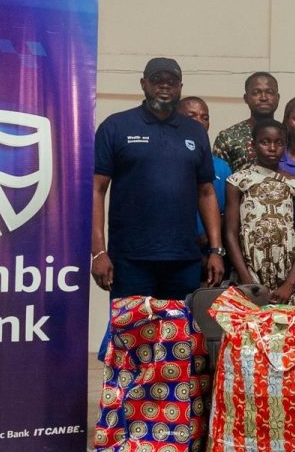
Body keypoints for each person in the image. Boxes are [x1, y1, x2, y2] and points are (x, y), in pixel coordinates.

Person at [91, 57, 225, 300]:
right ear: (143, 84)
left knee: (179, 335)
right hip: (130, 259)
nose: (164, 86)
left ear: (180, 88)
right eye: (157, 80)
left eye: (171, 82)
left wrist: (216, 250)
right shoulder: (116, 126)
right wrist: (98, 252)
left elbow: (206, 191)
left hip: (183, 260)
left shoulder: (194, 132)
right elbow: (96, 190)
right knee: (132, 335)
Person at [225, 119, 295, 304]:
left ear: (285, 145)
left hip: (288, 274)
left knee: (288, 329)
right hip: (249, 271)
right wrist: (248, 283)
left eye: (278, 143)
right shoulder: (238, 181)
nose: (272, 148)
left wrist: (290, 283)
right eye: (265, 142)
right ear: (253, 145)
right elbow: (230, 233)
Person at [177, 96, 232, 251]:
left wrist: (210, 236)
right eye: (192, 116)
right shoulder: (166, 160)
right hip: (177, 249)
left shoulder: (222, 166)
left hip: (212, 250)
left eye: (204, 117)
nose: (199, 121)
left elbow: (229, 211)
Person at [213, 71, 280, 173]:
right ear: (246, 98)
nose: (263, 98)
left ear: (278, 98)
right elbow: (218, 178)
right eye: (256, 93)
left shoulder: (288, 135)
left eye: (270, 92)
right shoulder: (228, 137)